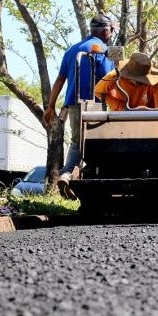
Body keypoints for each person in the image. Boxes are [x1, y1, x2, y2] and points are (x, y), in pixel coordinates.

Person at [43, 14, 118, 199]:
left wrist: (50, 106)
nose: (111, 34)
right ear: (105, 30)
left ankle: (69, 176)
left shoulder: (72, 50)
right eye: (111, 30)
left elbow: (60, 79)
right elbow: (109, 79)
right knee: (97, 143)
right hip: (97, 104)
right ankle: (75, 175)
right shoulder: (103, 50)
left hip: (74, 105)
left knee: (78, 142)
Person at [94, 53, 158, 111]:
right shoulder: (115, 76)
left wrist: (146, 112)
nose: (137, 82)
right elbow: (98, 92)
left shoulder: (156, 81)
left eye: (141, 80)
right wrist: (121, 106)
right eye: (134, 78)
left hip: (148, 119)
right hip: (121, 117)